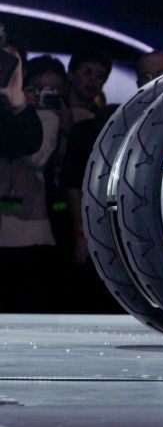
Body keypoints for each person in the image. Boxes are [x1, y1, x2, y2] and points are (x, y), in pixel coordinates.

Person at [0, 56, 69, 312]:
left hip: (33, 230)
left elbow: (36, 155)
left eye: (53, 90)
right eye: (38, 89)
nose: (44, 96)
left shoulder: (49, 119)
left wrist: (24, 112)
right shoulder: (7, 114)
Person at [65, 48, 112, 124]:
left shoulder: (103, 121)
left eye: (99, 75)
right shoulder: (53, 108)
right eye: (87, 72)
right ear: (71, 74)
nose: (93, 79)